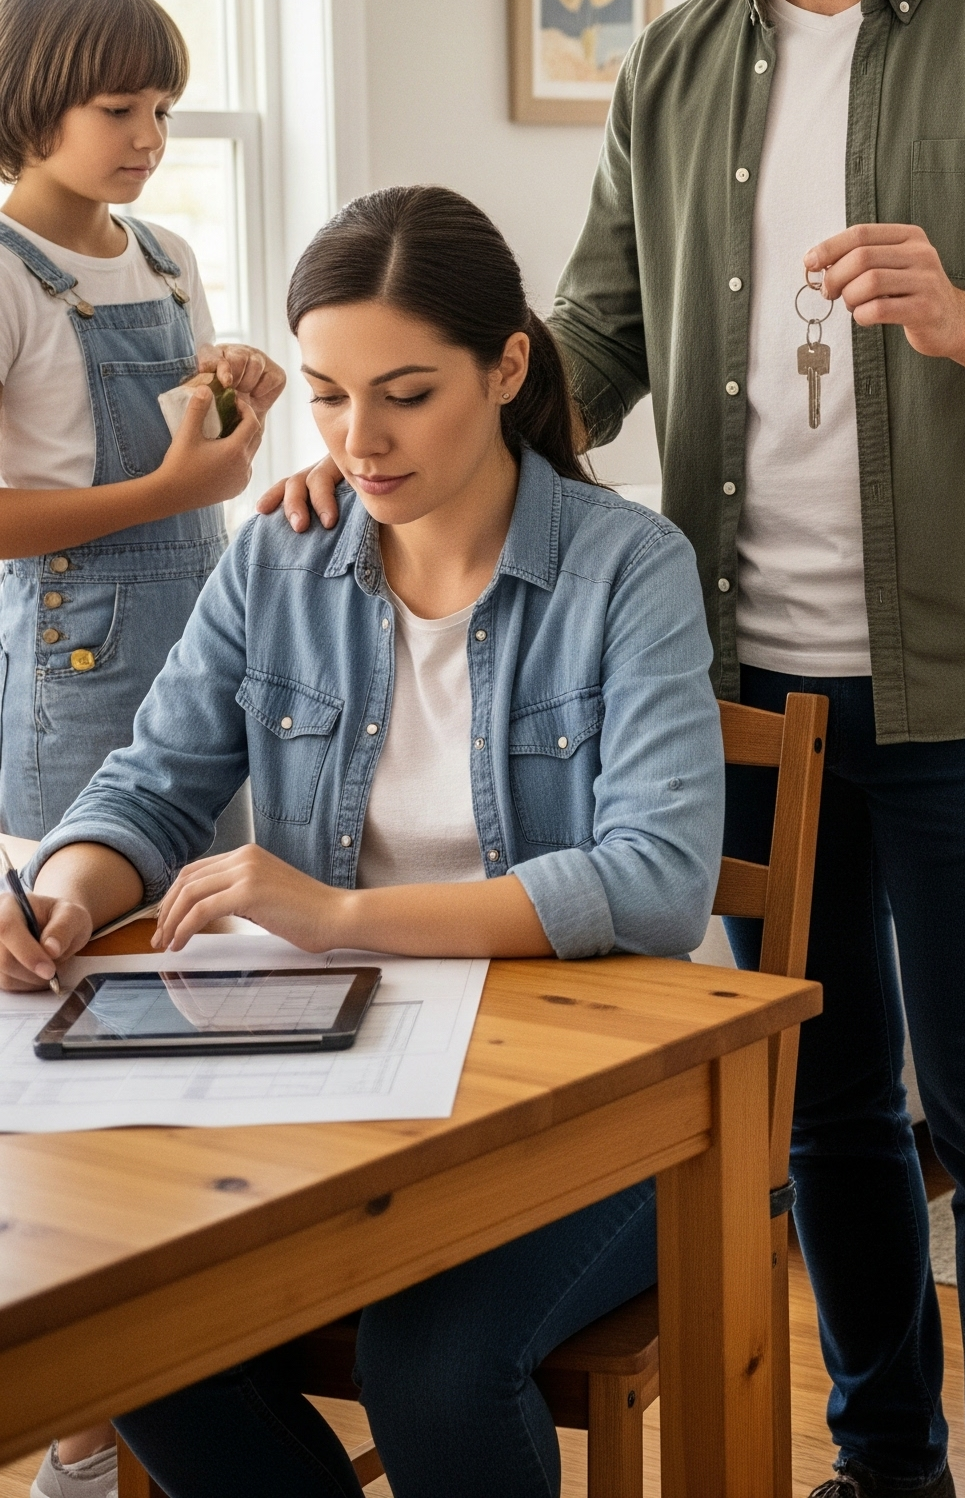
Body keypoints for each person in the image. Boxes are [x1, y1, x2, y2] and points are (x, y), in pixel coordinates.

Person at [268, 0, 965, 1498]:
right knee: (824, 1101)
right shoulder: (672, 65)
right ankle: (881, 1462)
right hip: (737, 687)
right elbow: (589, 334)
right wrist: (399, 443)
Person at [4, 186, 724, 1498]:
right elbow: (153, 787)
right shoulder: (280, 560)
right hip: (339, 1079)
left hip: (613, 1101)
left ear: (507, 367)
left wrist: (336, 920)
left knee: (435, 1374)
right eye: (328, 396)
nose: (360, 438)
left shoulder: (630, 570)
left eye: (404, 393)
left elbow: (658, 882)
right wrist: (60, 888)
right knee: (139, 1327)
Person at [0, 0, 284, 1498]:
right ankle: (81, 1433)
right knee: (86, 1045)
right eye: (120, 109)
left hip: (207, 668)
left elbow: (212, 469)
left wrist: (242, 395)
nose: (151, 136)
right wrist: (176, 491)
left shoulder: (166, 256)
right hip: (74, 666)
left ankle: (181, 1383)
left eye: (164, 108)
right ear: (34, 94)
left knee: (207, 1033)